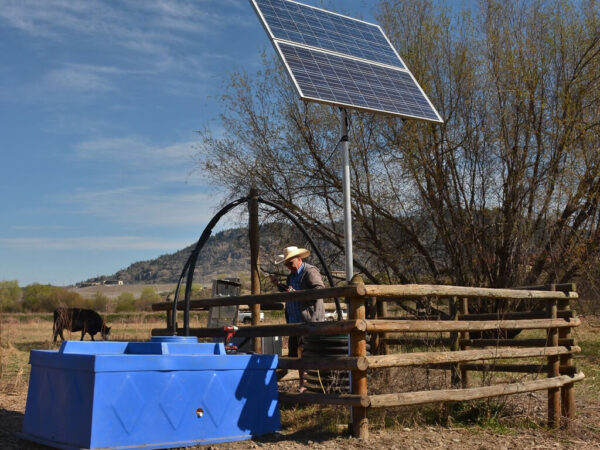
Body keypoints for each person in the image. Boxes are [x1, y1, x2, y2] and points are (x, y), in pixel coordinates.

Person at [270, 246, 325, 392]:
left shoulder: (310, 272)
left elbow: (320, 290)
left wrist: (299, 293)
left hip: (309, 321)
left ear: (299, 259)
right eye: (286, 264)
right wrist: (279, 285)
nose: (289, 267)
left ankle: (313, 386)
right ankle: (303, 385)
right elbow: (291, 293)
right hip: (294, 321)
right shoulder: (291, 276)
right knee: (299, 355)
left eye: (290, 263)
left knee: (308, 353)